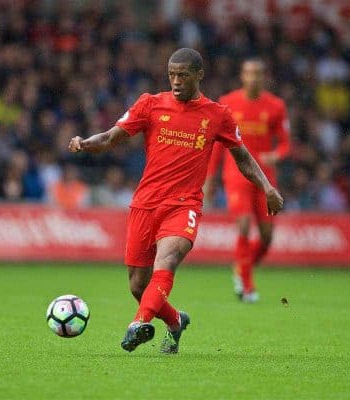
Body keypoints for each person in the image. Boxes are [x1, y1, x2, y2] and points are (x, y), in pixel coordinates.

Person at [68, 48, 284, 353]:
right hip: (145, 204)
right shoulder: (150, 104)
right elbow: (110, 137)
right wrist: (84, 143)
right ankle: (174, 321)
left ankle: (138, 322)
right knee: (138, 286)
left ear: (199, 75)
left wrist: (268, 188)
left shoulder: (217, 114)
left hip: (184, 205)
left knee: (166, 260)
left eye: (183, 75)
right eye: (171, 74)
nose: (176, 81)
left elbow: (243, 157)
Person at [206, 59, 291, 303]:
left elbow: (285, 143)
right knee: (243, 224)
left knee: (266, 238)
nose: (253, 78)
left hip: (264, 178)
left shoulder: (276, 106)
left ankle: (241, 269)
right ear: (242, 76)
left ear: (264, 77)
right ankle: (247, 285)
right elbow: (218, 145)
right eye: (249, 73)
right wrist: (210, 177)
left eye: (258, 74)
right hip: (236, 174)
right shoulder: (228, 102)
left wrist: (277, 155)